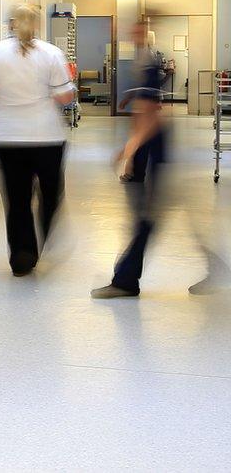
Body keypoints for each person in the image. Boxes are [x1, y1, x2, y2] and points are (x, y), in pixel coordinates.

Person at [0, 4, 75, 276]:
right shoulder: (52, 54)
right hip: (47, 138)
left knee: (17, 200)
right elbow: (65, 97)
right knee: (51, 195)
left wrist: (6, 94)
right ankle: (40, 237)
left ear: (11, 23)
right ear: (37, 24)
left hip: (7, 138)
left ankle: (22, 254)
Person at [92, 20, 167, 299]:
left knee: (146, 219)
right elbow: (146, 105)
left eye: (136, 30)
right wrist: (129, 98)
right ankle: (125, 279)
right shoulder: (144, 60)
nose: (131, 34)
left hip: (155, 144)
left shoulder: (148, 62)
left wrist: (128, 152)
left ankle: (125, 281)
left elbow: (149, 116)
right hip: (155, 145)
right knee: (150, 218)